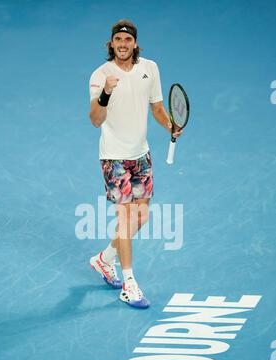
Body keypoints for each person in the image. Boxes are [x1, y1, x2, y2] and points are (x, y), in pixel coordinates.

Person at [89, 19, 181, 309]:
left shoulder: (149, 69)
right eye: (118, 40)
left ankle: (104, 259)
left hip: (141, 154)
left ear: (135, 44)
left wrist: (170, 126)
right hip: (114, 156)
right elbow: (95, 120)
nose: (123, 45)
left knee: (141, 218)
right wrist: (106, 92)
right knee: (127, 219)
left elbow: (156, 108)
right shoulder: (100, 75)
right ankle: (129, 284)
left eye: (128, 41)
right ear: (111, 44)